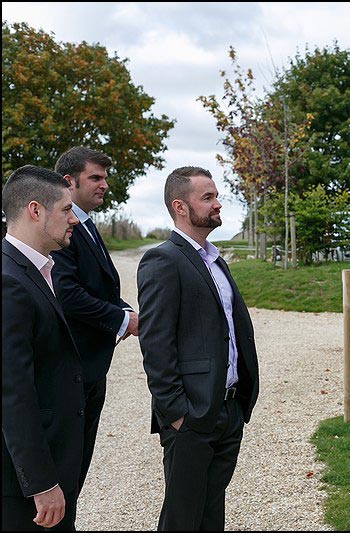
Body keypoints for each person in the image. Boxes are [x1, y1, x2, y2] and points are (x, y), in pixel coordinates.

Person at [137, 166, 260, 530]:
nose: (217, 204)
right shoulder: (163, 260)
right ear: (180, 206)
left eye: (216, 196)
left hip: (229, 410)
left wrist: (238, 403)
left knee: (210, 514)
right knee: (182, 518)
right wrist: (177, 413)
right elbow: (156, 343)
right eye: (207, 197)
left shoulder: (215, 260)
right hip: (192, 416)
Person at [50, 147, 138, 520]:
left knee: (76, 473)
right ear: (68, 181)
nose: (104, 185)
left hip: (91, 368)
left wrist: (125, 310)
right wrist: (122, 321)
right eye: (95, 178)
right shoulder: (61, 228)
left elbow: (99, 287)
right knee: (63, 475)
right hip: (72, 367)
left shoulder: (85, 223)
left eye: (105, 177)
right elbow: (67, 294)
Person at [2, 166, 85, 530]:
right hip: (22, 491)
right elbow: (12, 393)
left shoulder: (35, 270)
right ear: (35, 210)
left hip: (56, 462)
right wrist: (41, 483)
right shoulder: (9, 281)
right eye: (66, 210)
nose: (74, 220)